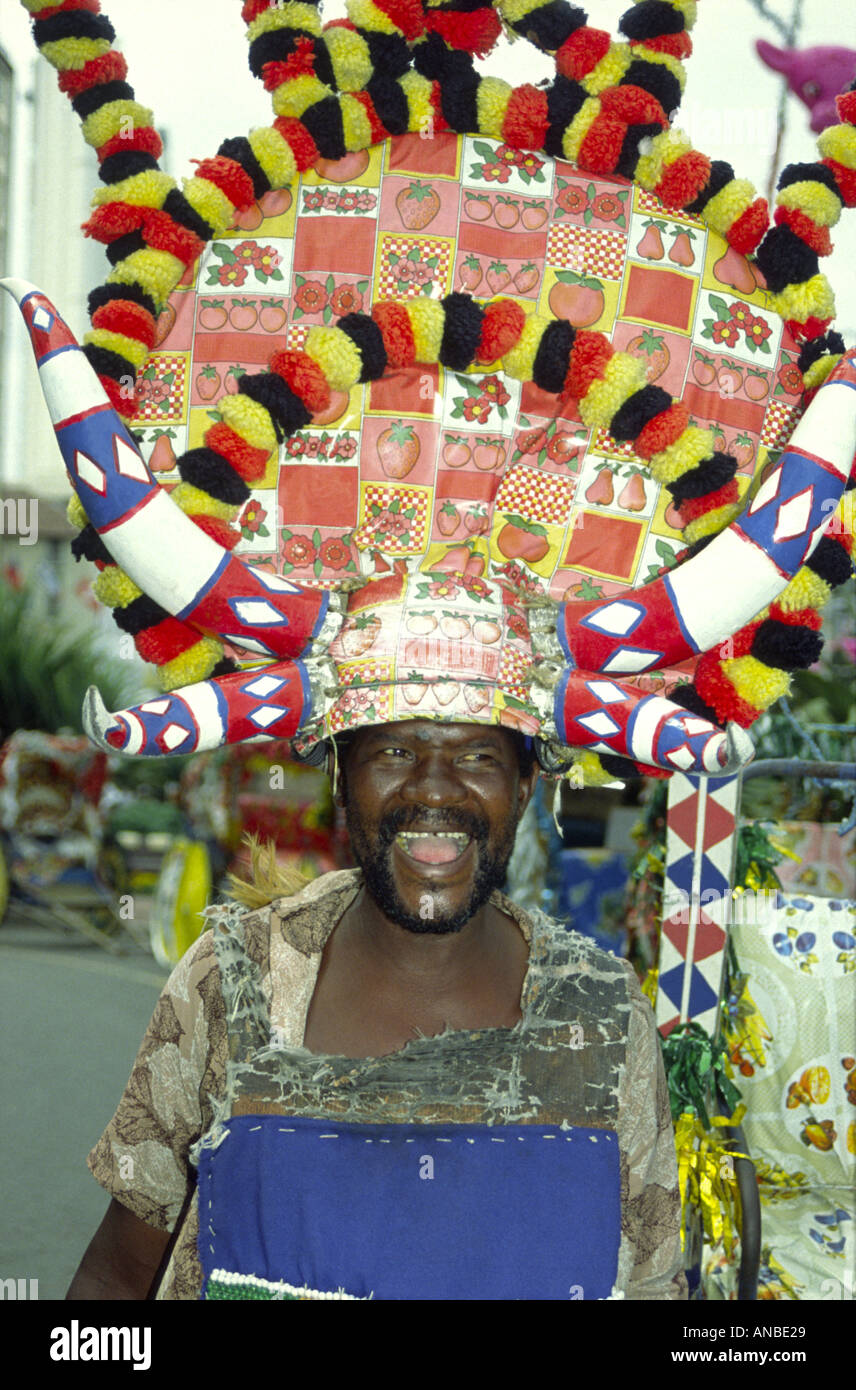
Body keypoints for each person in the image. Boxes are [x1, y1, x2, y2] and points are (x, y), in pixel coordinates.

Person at [69, 717, 686, 1301]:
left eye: (478, 756)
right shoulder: (236, 980)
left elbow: (654, 1285)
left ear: (526, 785)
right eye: (394, 752)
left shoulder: (603, 1015)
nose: (435, 789)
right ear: (340, 777)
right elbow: (121, 1274)